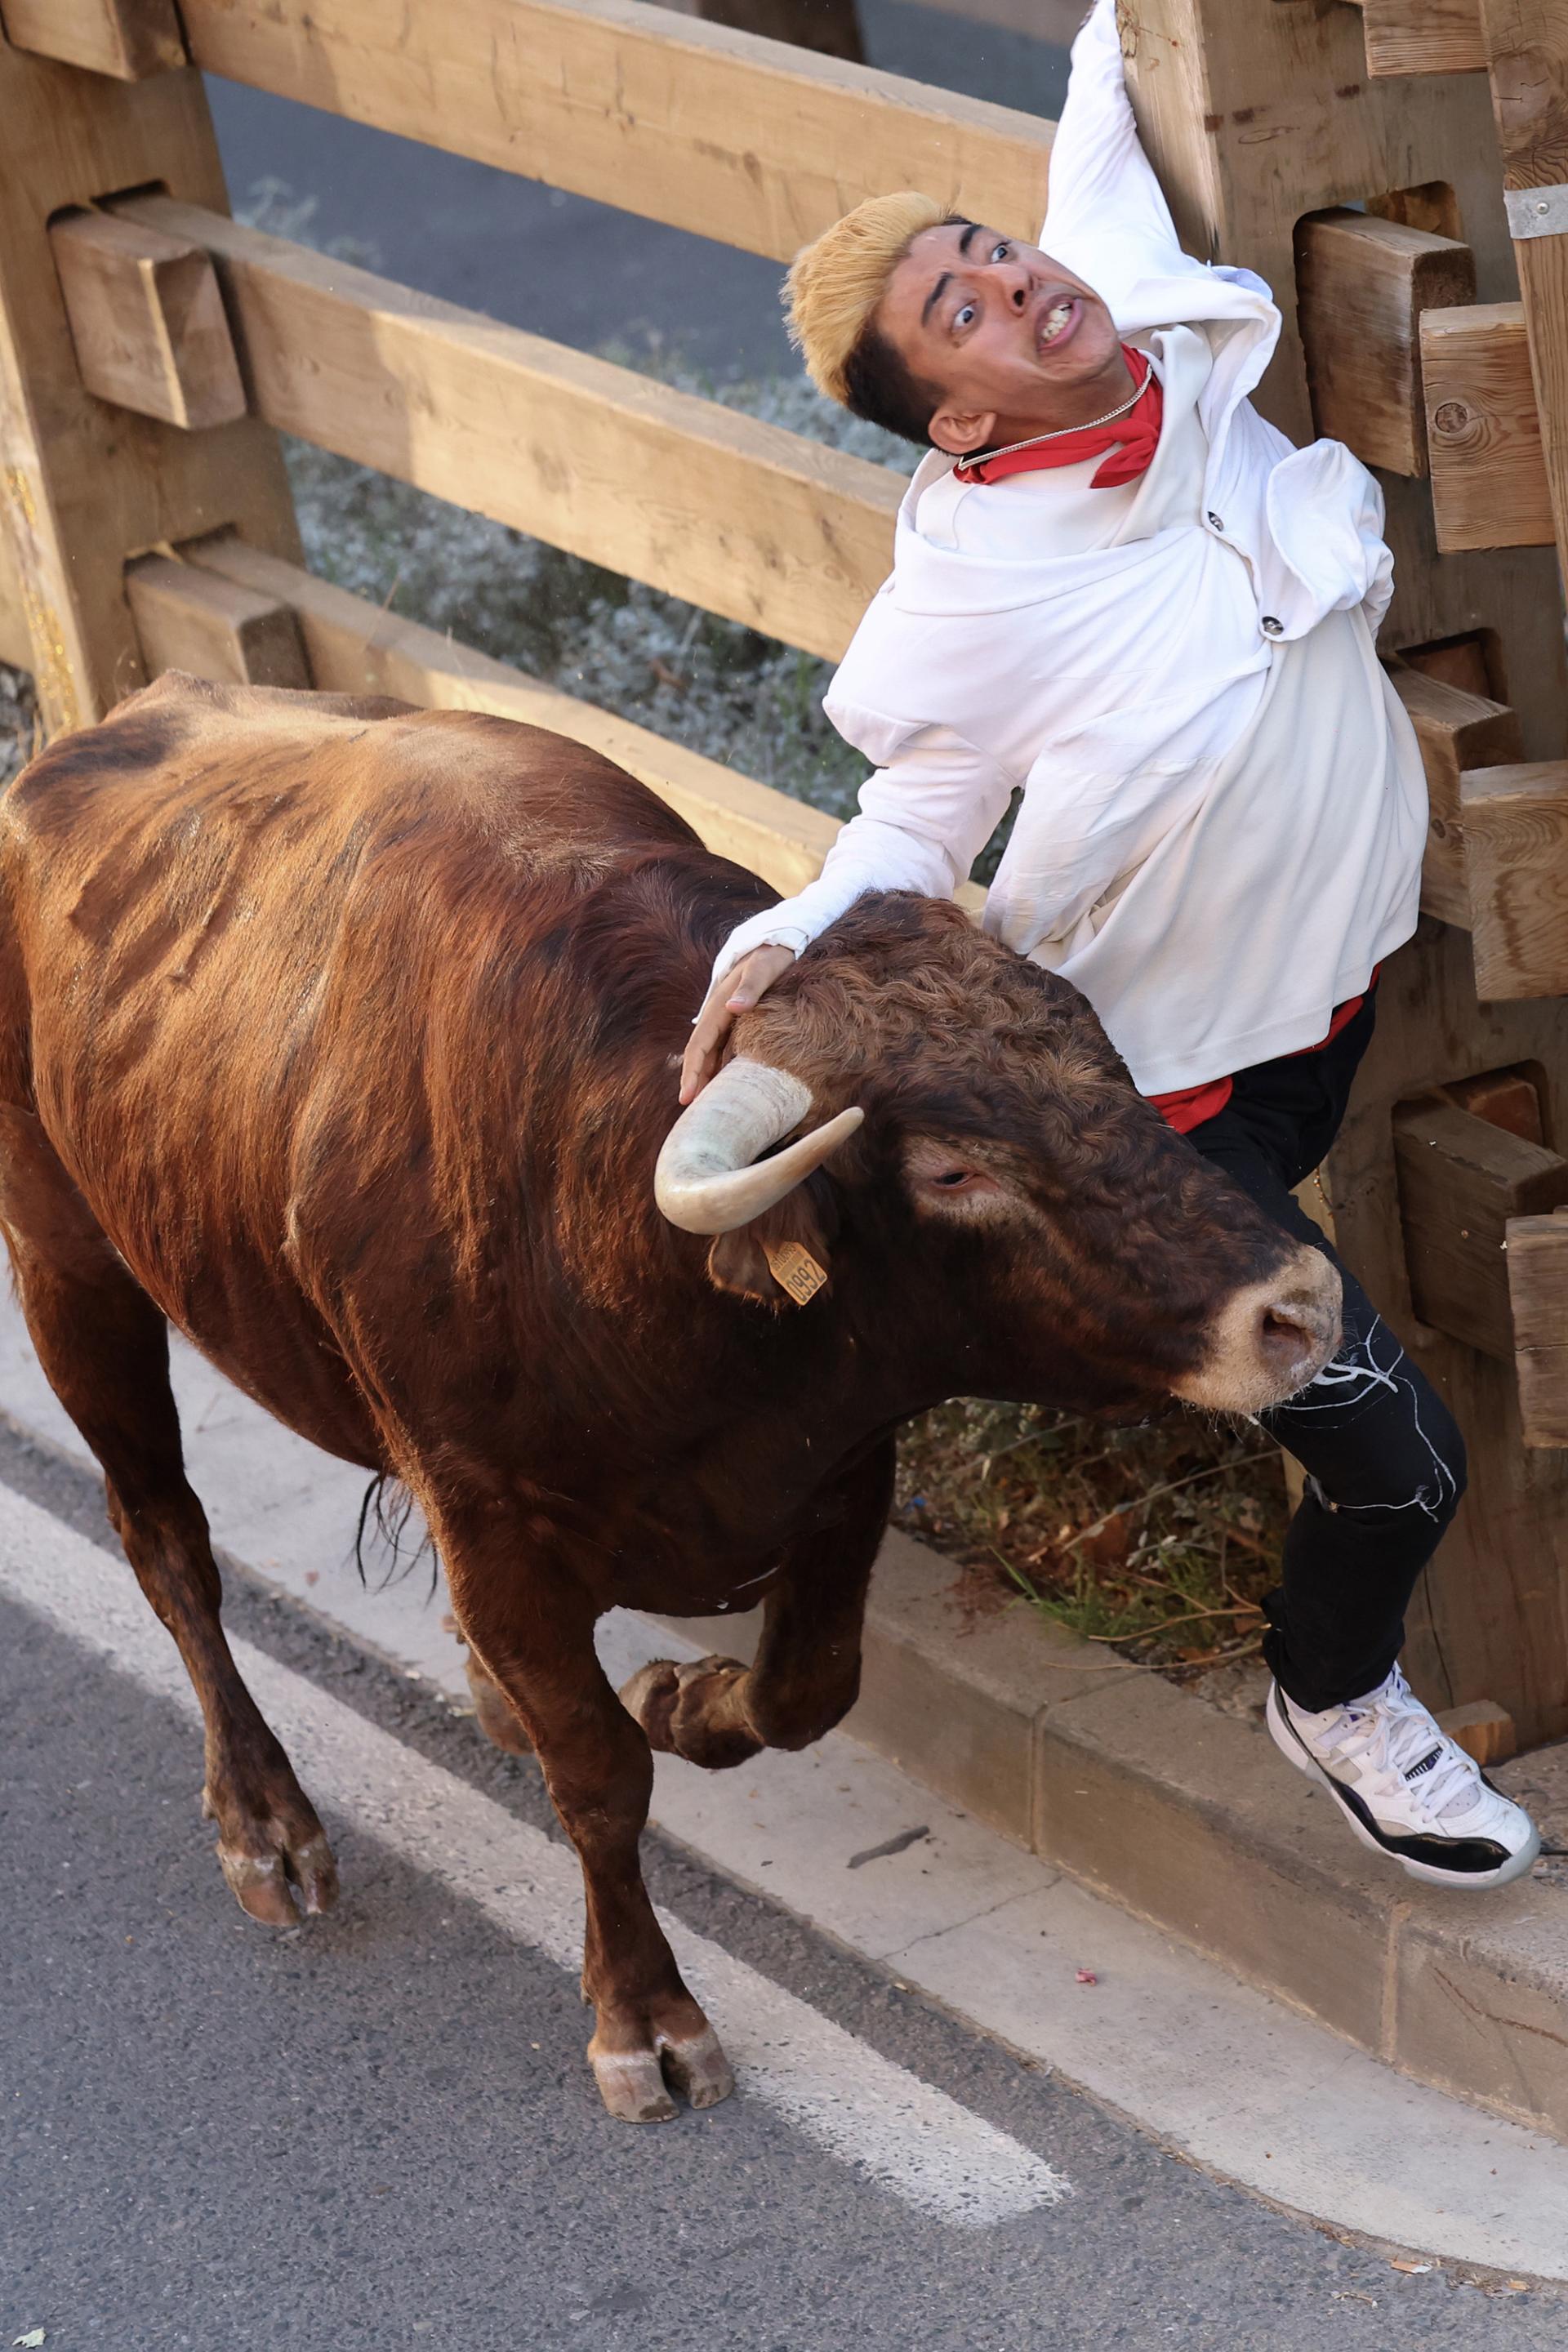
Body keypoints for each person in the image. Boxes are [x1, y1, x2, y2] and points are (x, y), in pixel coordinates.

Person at [679, 0, 1539, 1887]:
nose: (1012, 287)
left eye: (988, 254)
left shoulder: (1136, 312)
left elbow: (1099, 94)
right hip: (1159, 1104)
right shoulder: (972, 600)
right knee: (1403, 1455)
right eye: (961, 317)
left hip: (1334, 1005)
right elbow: (917, 815)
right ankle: (1332, 1700)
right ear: (961, 421)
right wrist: (790, 933)